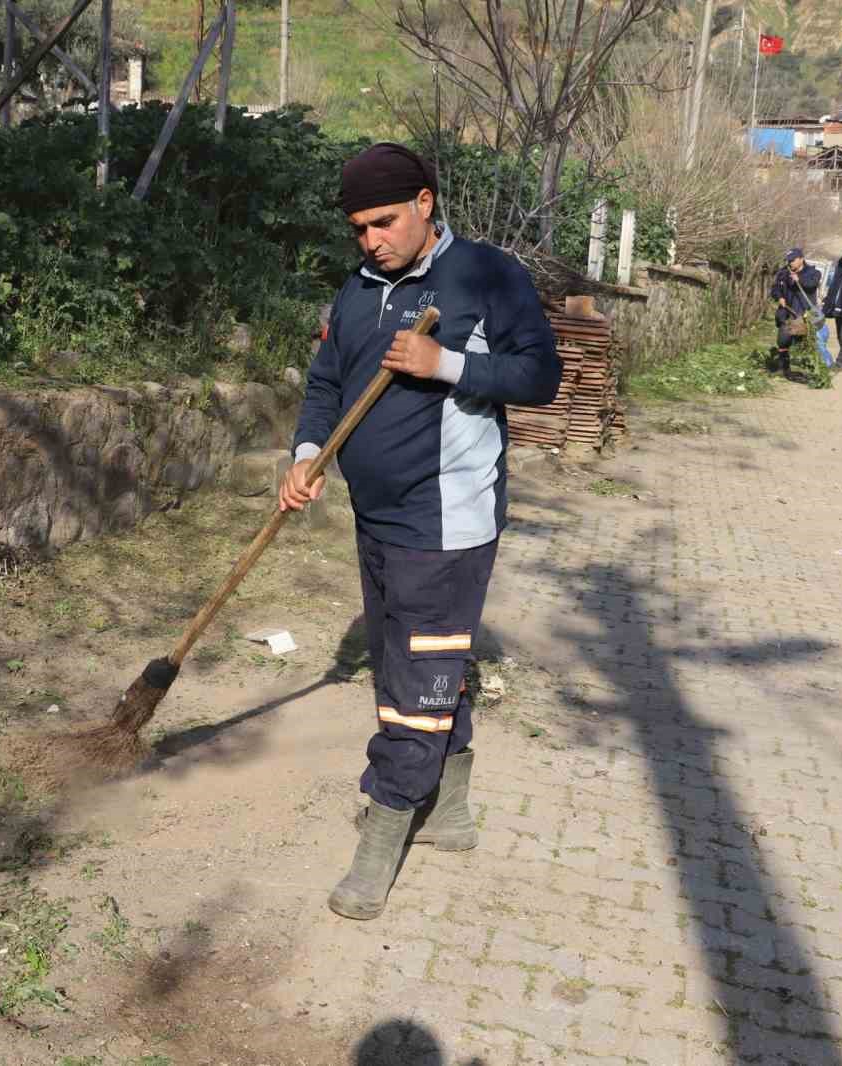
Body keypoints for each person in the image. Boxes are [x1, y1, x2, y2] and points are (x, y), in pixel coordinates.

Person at [277, 143, 560, 921]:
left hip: (451, 518)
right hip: (378, 518)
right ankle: (453, 814)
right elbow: (326, 384)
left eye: (385, 222)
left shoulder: (485, 275)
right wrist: (306, 457)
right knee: (412, 663)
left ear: (426, 203)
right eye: (358, 228)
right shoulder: (357, 289)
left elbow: (541, 375)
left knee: (412, 682)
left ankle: (385, 828)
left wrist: (447, 365)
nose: (371, 240)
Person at [770, 248, 822, 377]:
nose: (790, 263)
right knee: (782, 340)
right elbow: (775, 289)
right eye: (788, 261)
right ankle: (783, 368)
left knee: (804, 343)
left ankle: (812, 369)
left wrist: (799, 280)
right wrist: (779, 297)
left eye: (792, 260)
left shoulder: (813, 273)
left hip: (803, 314)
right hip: (787, 313)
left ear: (801, 259)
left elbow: (811, 285)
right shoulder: (783, 273)